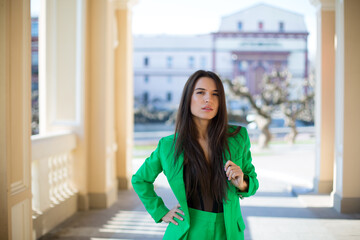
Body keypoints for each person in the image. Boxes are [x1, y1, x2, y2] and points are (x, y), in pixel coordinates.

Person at [132, 70, 259, 240]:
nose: (209, 99)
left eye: (215, 94)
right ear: (188, 98)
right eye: (201, 93)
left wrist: (242, 182)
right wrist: (161, 212)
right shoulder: (168, 146)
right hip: (188, 231)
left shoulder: (238, 137)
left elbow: (253, 183)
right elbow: (140, 179)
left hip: (228, 231)